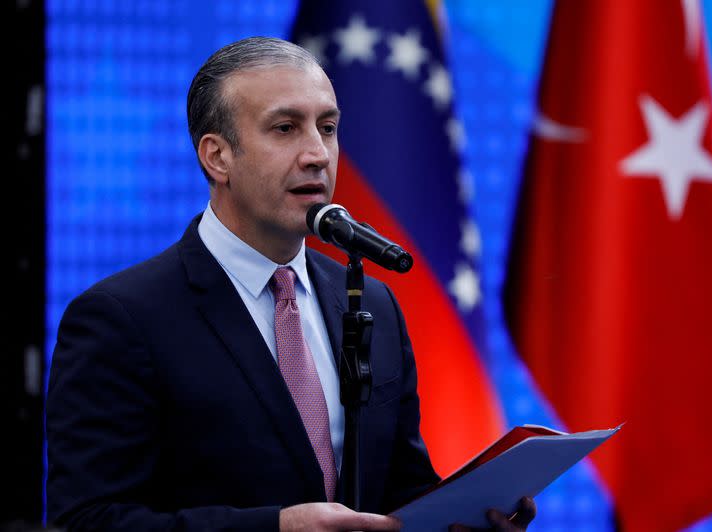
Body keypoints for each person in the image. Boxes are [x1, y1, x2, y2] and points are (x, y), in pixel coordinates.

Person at [46, 37, 536, 531]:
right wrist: (275, 528)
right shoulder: (122, 318)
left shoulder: (372, 302)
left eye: (328, 128)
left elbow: (395, 493)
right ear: (217, 157)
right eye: (285, 129)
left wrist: (464, 519)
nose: (318, 155)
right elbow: (87, 520)